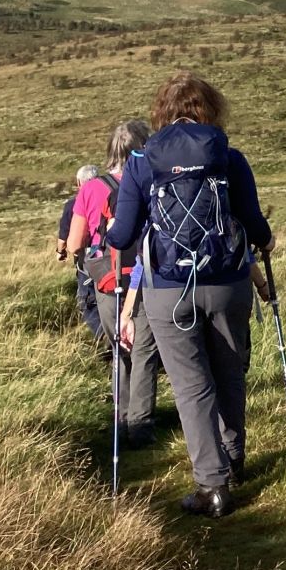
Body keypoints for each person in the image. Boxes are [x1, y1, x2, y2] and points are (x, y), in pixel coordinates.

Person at [105, 73, 272, 518]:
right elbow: (256, 227)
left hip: (168, 290)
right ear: (211, 110)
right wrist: (266, 242)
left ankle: (212, 485)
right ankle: (234, 460)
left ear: (160, 114)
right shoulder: (230, 158)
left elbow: (121, 236)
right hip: (229, 283)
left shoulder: (142, 163)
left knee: (191, 386)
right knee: (230, 371)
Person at [65, 120, 161, 445]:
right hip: (147, 274)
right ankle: (141, 426)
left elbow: (76, 242)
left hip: (107, 280)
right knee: (145, 349)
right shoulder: (151, 179)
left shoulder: (90, 189)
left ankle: (121, 421)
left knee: (119, 348)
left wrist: (85, 267)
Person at [56, 164, 105, 346]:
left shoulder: (73, 204)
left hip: (87, 260)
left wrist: (60, 252)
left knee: (88, 301)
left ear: (78, 183)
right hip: (111, 257)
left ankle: (104, 338)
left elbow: (66, 239)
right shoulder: (112, 196)